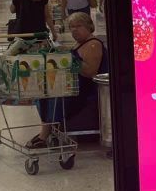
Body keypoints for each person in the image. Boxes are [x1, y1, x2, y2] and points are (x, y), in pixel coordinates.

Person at [29, 11, 108, 148]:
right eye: (72, 27)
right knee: (43, 92)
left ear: (89, 26)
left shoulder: (93, 44)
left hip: (86, 90)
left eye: (79, 26)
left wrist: (69, 58)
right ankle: (47, 131)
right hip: (74, 86)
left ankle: (44, 135)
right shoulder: (78, 44)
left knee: (54, 95)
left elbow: (90, 71)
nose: (74, 30)